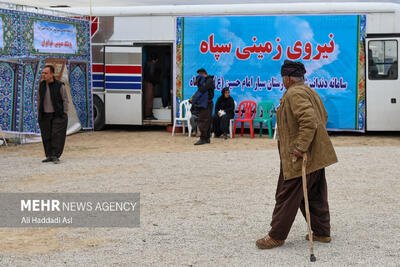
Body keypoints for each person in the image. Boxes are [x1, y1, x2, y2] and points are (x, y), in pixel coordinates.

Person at [256, 60, 338, 249]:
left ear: (288, 78)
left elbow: (309, 121)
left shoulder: (295, 93)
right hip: (316, 156)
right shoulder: (309, 91)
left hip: (300, 157)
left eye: (283, 78)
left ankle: (276, 236)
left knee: (286, 195)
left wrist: (301, 147)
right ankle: (322, 232)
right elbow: (323, 117)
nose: (282, 81)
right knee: (314, 194)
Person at [36, 65, 69, 164]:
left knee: (57, 135)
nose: (43, 75)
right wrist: (39, 111)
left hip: (57, 114)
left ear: (52, 74)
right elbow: (38, 99)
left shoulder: (60, 85)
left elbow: (65, 100)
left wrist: (64, 113)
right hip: (44, 114)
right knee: (46, 135)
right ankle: (49, 155)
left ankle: (55, 155)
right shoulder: (41, 85)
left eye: (46, 73)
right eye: (43, 73)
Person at [193, 68, 215, 145]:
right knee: (206, 121)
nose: (199, 77)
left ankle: (203, 138)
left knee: (203, 121)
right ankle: (207, 138)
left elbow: (202, 89)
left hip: (206, 104)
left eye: (200, 75)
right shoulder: (206, 81)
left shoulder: (209, 81)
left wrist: (195, 97)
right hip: (205, 103)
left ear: (203, 74)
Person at [143, 53, 161, 120]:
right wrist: (156, 82)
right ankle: (148, 115)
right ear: (156, 60)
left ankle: (148, 114)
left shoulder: (147, 63)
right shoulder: (152, 64)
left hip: (146, 83)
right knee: (149, 100)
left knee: (147, 99)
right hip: (149, 84)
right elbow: (151, 75)